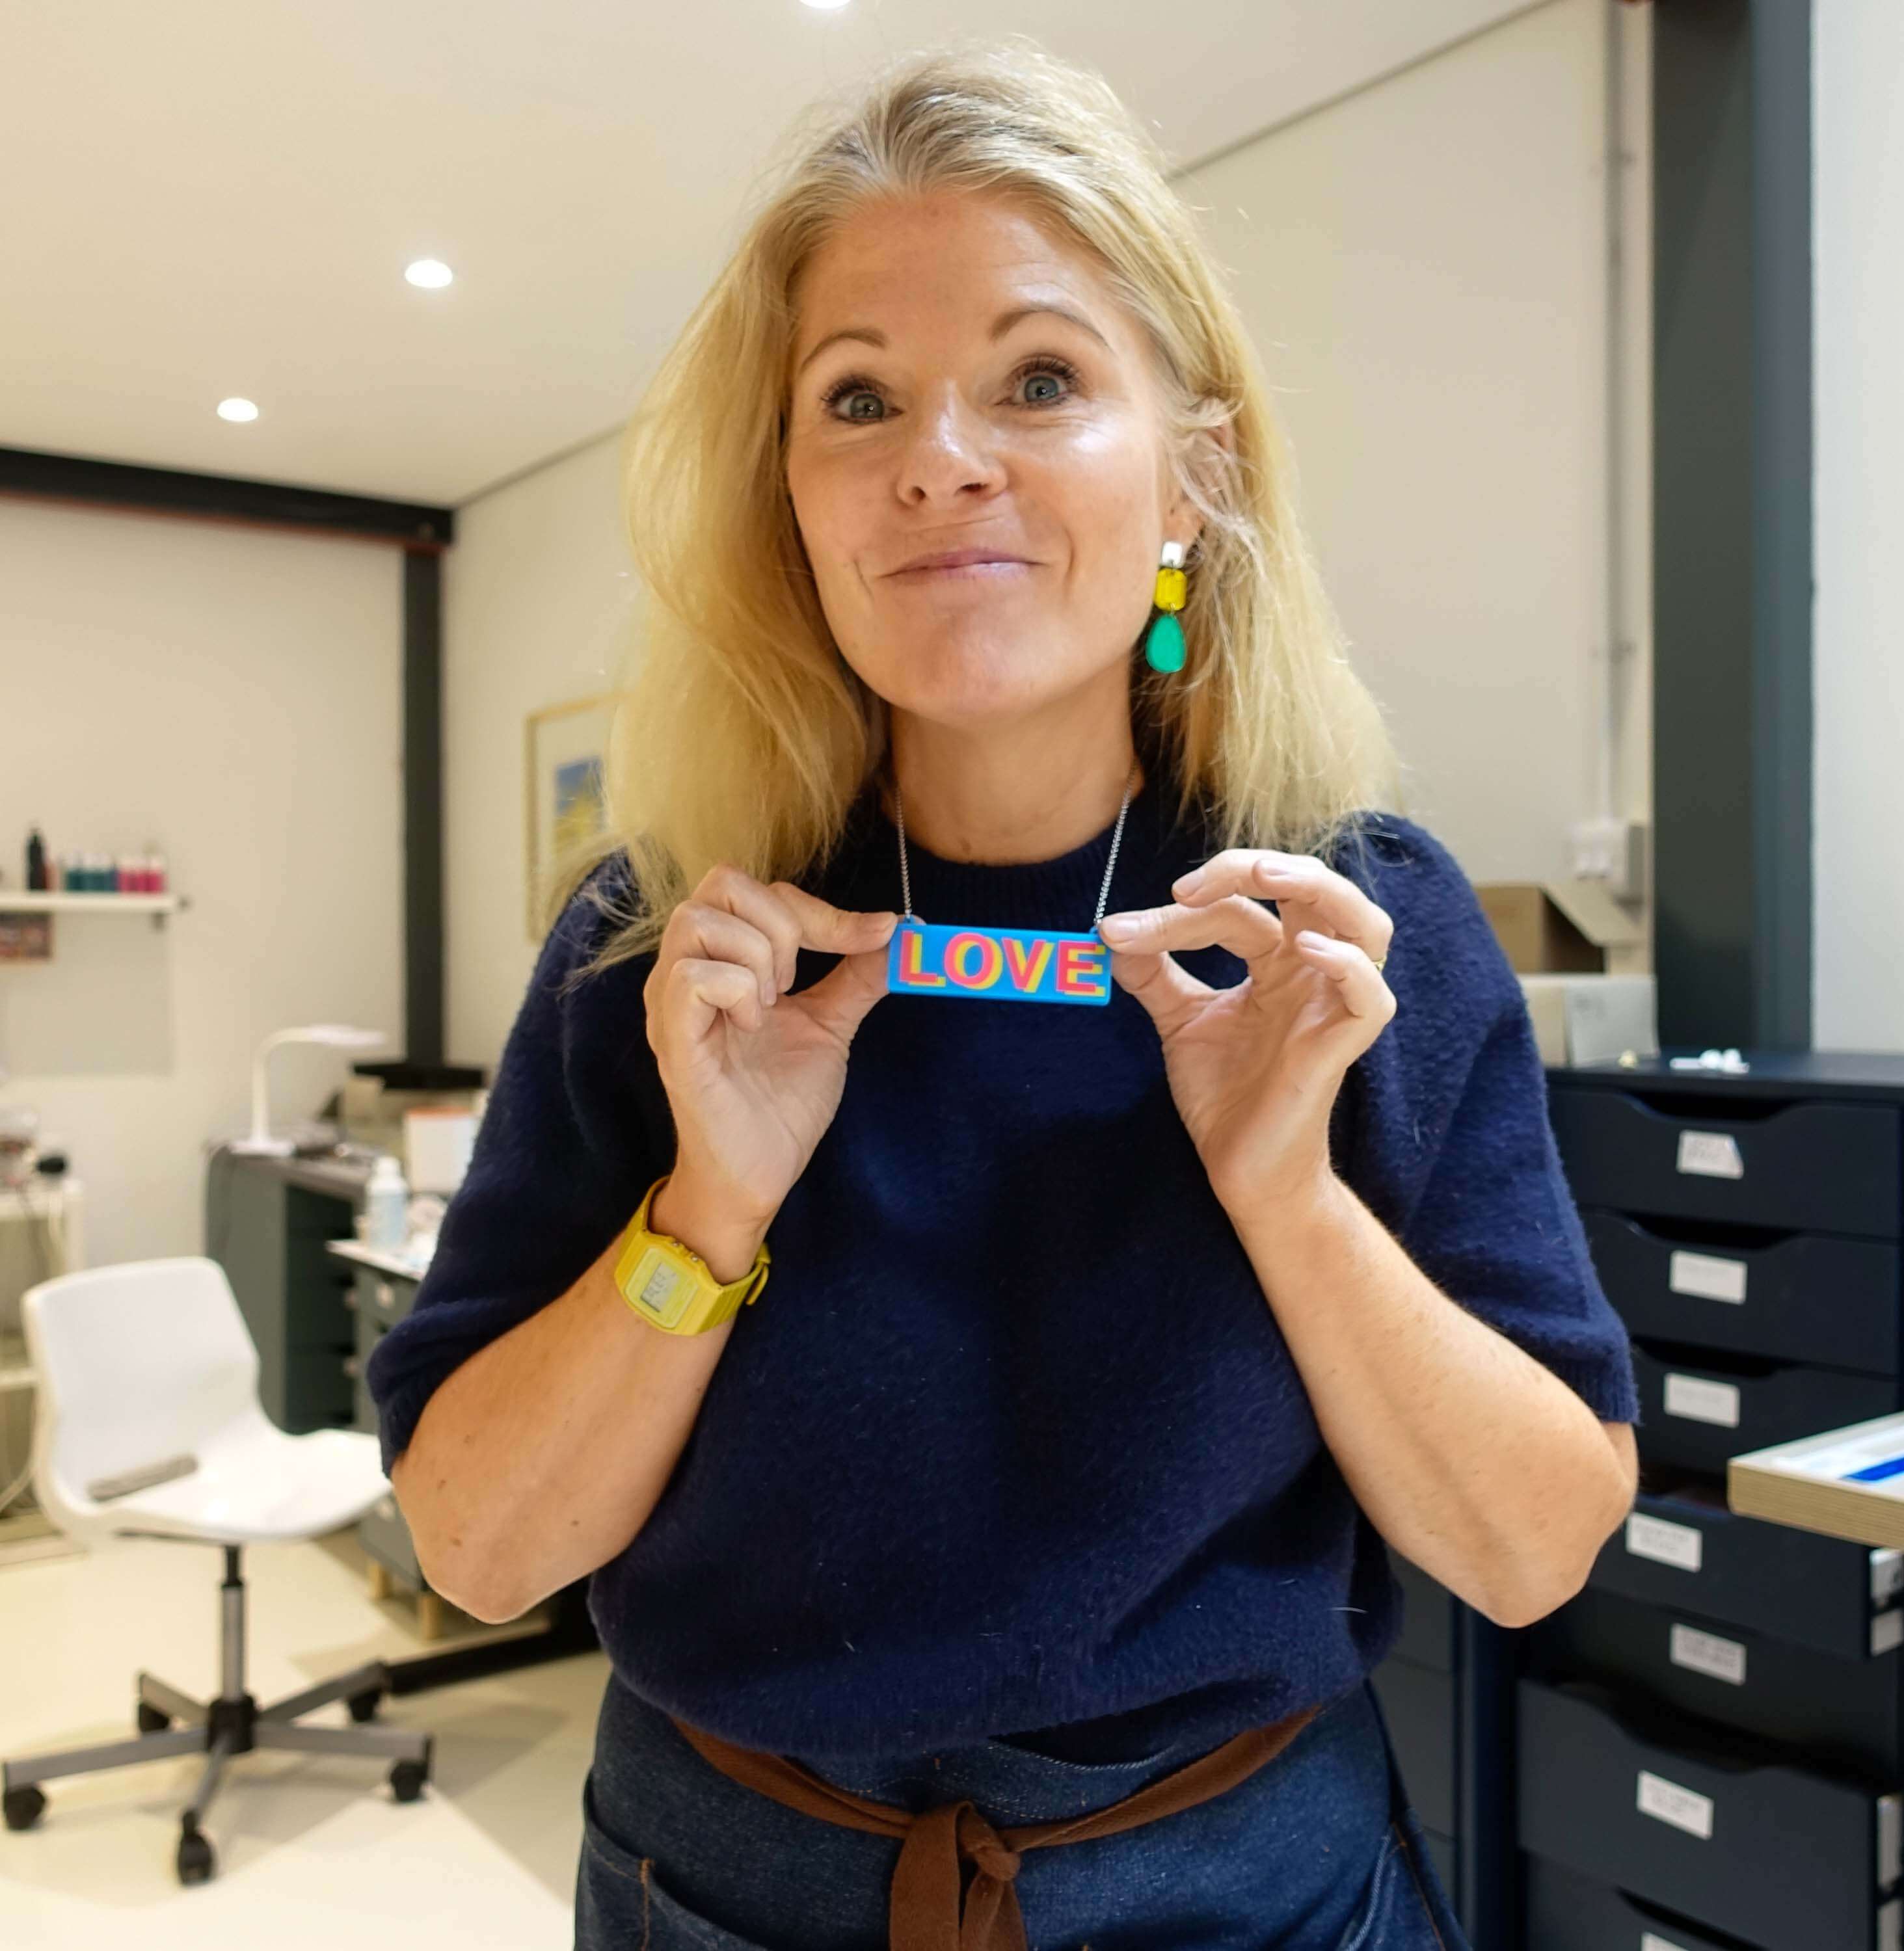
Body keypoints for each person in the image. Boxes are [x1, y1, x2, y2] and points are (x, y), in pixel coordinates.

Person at [365, 36, 1640, 1951]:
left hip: (1250, 1894)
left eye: (1040, 379)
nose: (938, 459)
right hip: (720, 1889)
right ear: (793, 503)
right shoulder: (665, 944)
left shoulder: (1353, 940)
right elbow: (477, 1547)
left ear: (1190, 477)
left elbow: (1535, 1553)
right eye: (857, 399)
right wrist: (709, 1205)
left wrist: (1287, 1196)